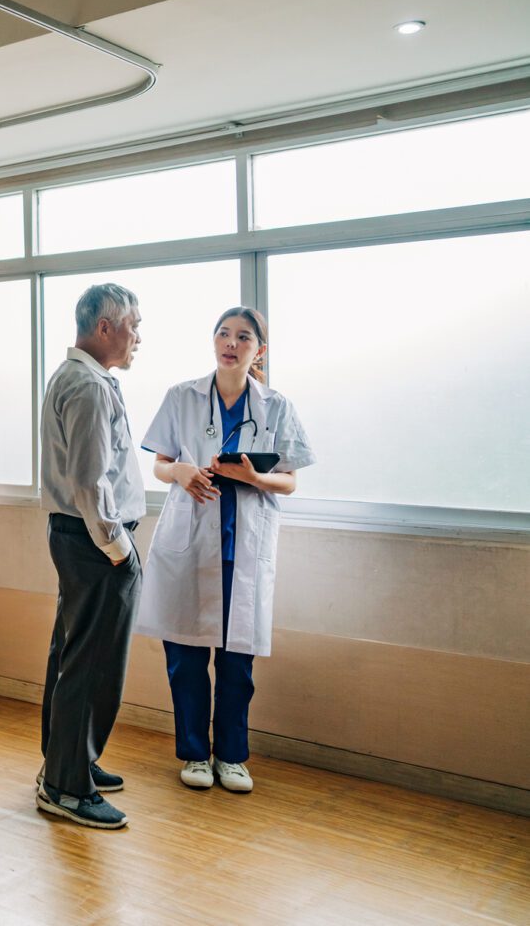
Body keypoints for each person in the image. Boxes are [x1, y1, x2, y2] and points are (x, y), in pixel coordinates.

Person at [137, 307, 314, 793]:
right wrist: (181, 473)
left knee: (237, 662)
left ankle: (232, 758)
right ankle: (195, 754)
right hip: (190, 542)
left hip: (245, 545)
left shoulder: (276, 406)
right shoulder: (183, 397)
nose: (230, 343)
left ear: (260, 350)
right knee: (187, 657)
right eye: (223, 333)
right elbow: (160, 465)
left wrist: (254, 478)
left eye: (242, 337)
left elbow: (291, 481)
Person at [37, 283, 146, 830]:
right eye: (133, 326)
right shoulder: (88, 386)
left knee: (73, 653)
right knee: (92, 661)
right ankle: (65, 787)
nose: (137, 338)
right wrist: (119, 549)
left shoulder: (79, 377)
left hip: (80, 538)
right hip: (95, 542)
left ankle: (67, 762)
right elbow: (88, 480)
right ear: (104, 328)